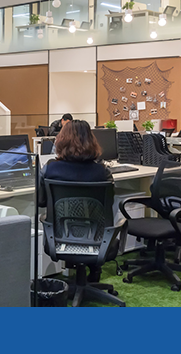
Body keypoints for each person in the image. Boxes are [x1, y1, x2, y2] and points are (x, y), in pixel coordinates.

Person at [39, 119, 113, 282]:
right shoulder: (102, 172)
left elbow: (41, 201)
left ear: (61, 141)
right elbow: (107, 205)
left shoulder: (50, 169)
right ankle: (94, 270)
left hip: (61, 238)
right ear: (92, 141)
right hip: (96, 239)